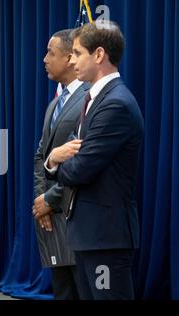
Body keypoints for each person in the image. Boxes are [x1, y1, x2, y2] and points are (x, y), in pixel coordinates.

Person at [46, 21, 144, 299]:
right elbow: (74, 157)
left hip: (106, 237)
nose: (72, 60)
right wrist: (57, 157)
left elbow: (79, 169)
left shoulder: (115, 104)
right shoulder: (95, 99)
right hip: (89, 234)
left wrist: (56, 160)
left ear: (98, 55)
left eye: (77, 53)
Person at [33, 29, 89, 300]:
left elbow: (83, 160)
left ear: (70, 58)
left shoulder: (90, 99)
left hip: (79, 216)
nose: (44, 59)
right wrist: (40, 201)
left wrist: (50, 200)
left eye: (50, 53)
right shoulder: (55, 103)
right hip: (52, 221)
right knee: (63, 292)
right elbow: (41, 155)